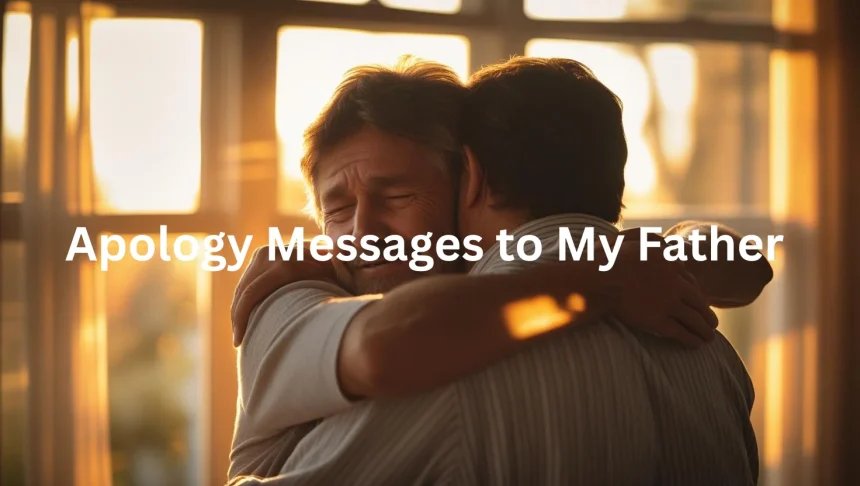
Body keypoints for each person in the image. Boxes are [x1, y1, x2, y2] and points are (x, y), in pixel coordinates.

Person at [228, 57, 769, 485]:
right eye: (337, 210)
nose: (363, 232)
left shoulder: (450, 374)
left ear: (469, 181)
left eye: (398, 194)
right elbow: (386, 341)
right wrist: (610, 274)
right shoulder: (710, 352)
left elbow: (746, 267)